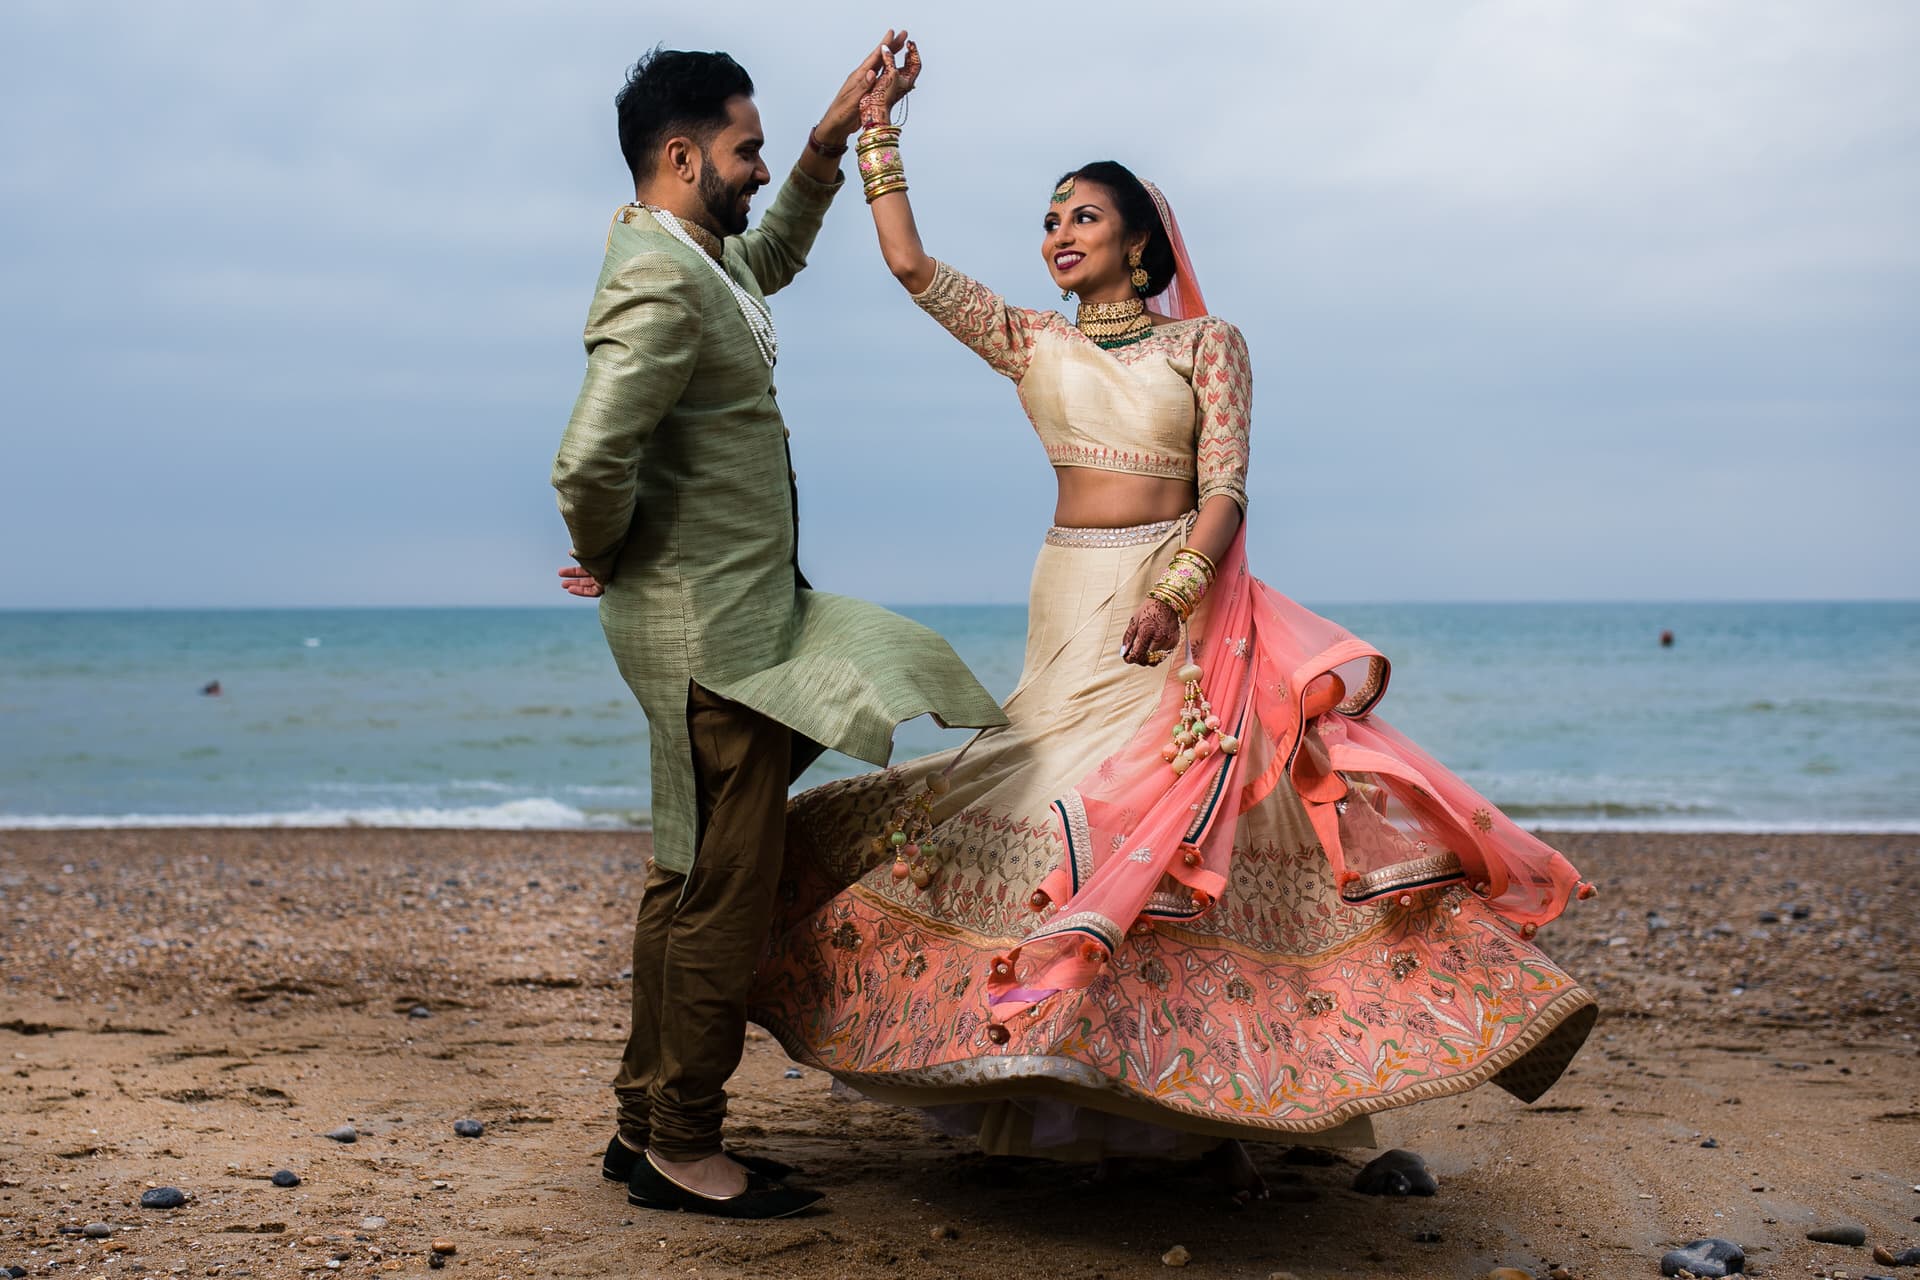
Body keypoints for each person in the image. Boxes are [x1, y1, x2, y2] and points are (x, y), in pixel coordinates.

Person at [749, 42, 1598, 1183]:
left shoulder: (1208, 344)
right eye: (1049, 216)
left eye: (1085, 215)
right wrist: (877, 126)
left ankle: (1204, 1110)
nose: (1059, 232)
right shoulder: (1030, 341)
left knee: (1164, 824)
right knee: (1036, 799)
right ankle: (1045, 1068)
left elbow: (1227, 488)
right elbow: (907, 265)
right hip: (1068, 595)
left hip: (1177, 610)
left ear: (1139, 242)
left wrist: (1174, 590)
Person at [551, 39, 1006, 1219]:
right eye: (744, 151)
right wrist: (609, 551)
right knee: (726, 891)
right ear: (682, 153)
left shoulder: (698, 257)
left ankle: (641, 1121)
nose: (753, 170)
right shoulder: (655, 277)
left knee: (686, 873)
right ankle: (683, 1146)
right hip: (718, 640)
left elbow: (769, 258)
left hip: (749, 617)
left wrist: (822, 143)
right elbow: (590, 455)